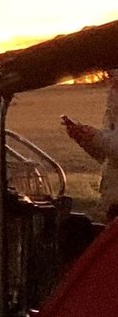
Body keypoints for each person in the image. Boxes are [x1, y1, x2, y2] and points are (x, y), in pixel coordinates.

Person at [62, 70, 118, 218]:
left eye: (113, 77)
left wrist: (94, 136)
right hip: (111, 203)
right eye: (109, 76)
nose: (110, 83)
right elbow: (108, 158)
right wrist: (84, 139)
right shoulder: (113, 110)